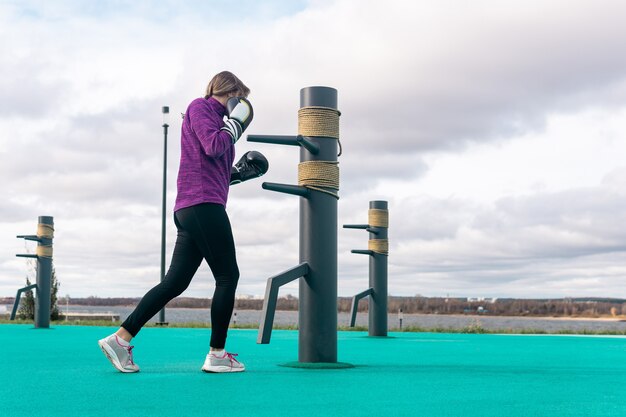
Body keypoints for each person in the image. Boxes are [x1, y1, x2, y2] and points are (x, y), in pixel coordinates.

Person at [98, 71, 268, 374]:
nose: (242, 104)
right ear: (231, 92)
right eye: (241, 97)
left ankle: (120, 339)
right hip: (202, 206)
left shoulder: (217, 121)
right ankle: (217, 354)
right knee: (228, 276)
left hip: (196, 206)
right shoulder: (201, 108)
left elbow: (213, 166)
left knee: (174, 282)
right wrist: (236, 124)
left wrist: (239, 173)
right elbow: (214, 146)